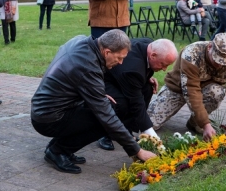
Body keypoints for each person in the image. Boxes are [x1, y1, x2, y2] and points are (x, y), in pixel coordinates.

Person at [31, 30, 158, 174]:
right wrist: (137, 151)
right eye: (119, 58)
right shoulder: (87, 67)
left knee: (106, 107)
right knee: (105, 118)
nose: (121, 62)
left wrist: (96, 92)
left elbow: (73, 77)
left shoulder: (82, 41)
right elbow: (107, 117)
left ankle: (58, 146)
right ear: (107, 52)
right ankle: (57, 151)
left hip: (47, 108)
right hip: (48, 119)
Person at [148, 33, 226, 141]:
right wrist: (206, 124)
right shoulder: (192, 53)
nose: (219, 65)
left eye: (223, 62)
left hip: (207, 90)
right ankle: (202, 122)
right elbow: (191, 91)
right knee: (149, 124)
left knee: (217, 92)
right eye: (216, 59)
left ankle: (195, 123)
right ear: (209, 47)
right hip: (178, 89)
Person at [97, 38, 178, 151]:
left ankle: (126, 130)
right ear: (153, 55)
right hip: (105, 80)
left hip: (123, 76)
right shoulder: (133, 69)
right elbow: (137, 104)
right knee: (121, 103)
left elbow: (140, 69)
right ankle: (106, 133)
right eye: (163, 64)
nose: (164, 69)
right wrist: (155, 139)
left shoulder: (149, 45)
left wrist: (146, 77)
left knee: (147, 89)